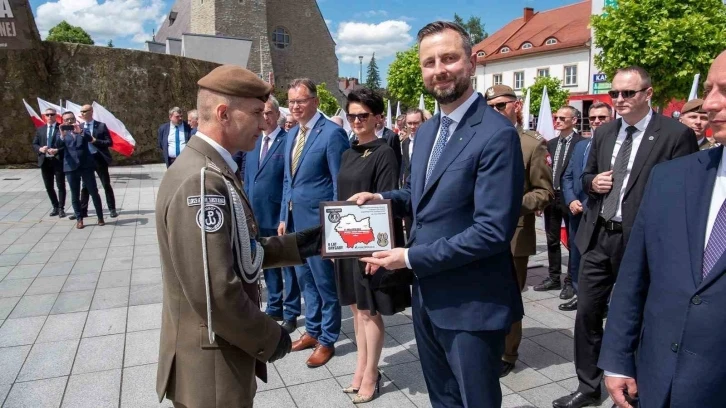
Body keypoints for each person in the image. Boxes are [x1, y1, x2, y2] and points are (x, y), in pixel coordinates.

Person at [352, 21, 525, 407]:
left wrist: (409, 257)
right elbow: (420, 195)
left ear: (472, 62)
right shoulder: (428, 132)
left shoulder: (497, 134)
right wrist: (381, 199)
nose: (439, 69)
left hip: (472, 304)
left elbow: (491, 232)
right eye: (429, 62)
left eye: (449, 58)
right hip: (428, 297)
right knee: (442, 399)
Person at [154, 64, 323, 408]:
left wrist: (298, 245)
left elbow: (236, 251)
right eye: (257, 113)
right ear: (223, 114)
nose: (264, 123)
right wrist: (269, 335)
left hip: (217, 351)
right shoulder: (201, 181)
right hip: (212, 365)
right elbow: (216, 289)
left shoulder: (210, 168)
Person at [552, 66, 698, 408]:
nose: (618, 100)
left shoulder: (674, 134)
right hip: (599, 235)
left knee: (638, 316)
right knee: (587, 312)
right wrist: (592, 183)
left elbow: (686, 191)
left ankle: (634, 387)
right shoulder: (604, 133)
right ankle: (588, 388)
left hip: (643, 242)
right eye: (614, 93)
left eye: (627, 93)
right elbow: (587, 174)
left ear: (648, 94)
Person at [599, 50, 726, 408]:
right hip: (656, 382)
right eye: (710, 88)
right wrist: (618, 358)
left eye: (725, 90)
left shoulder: (669, 138)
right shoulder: (673, 178)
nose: (710, 104)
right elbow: (635, 276)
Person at [335, 88, 412, 404]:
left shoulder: (385, 152)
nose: (356, 120)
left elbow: (386, 202)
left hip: (370, 243)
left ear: (378, 118)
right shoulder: (347, 152)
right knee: (355, 309)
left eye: (363, 115)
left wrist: (380, 250)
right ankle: (360, 368)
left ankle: (370, 374)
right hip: (347, 242)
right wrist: (335, 245)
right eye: (352, 115)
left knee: (369, 312)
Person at [279, 78, 349, 368]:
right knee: (304, 278)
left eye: (301, 100)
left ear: (316, 101)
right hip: (295, 223)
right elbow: (288, 181)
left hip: (319, 225)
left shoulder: (332, 134)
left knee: (324, 283)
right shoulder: (292, 134)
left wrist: (333, 228)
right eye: (292, 101)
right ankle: (313, 329)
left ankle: (327, 339)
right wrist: (284, 216)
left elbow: (338, 183)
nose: (295, 106)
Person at [485, 84, 554, 377]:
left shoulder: (531, 144)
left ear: (517, 106)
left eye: (501, 105)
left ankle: (508, 352)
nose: (496, 112)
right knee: (484, 295)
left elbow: (544, 192)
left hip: (514, 233)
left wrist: (511, 204)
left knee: (508, 296)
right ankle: (486, 346)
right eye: (490, 107)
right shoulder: (479, 139)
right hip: (480, 233)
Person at [244, 95, 301, 334]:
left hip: (279, 216)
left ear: (278, 115)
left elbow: (289, 181)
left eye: (268, 113)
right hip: (257, 215)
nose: (264, 117)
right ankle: (274, 305)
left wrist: (283, 216)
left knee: (287, 266)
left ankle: (291, 311)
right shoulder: (253, 142)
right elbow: (248, 178)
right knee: (267, 264)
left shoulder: (288, 141)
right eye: (260, 113)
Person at [559, 102, 614, 312]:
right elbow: (568, 176)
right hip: (577, 213)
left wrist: (583, 203)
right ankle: (579, 295)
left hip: (599, 214)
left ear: (611, 118)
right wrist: (572, 199)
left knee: (601, 260)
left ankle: (604, 301)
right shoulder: (582, 145)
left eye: (602, 117)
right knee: (576, 255)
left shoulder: (616, 146)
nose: (597, 122)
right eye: (593, 119)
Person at [535, 106, 584, 299]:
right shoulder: (551, 144)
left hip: (570, 198)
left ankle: (570, 281)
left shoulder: (582, 143)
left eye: (563, 118)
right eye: (556, 117)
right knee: (551, 239)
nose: (558, 121)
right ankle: (553, 277)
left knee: (572, 241)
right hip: (551, 198)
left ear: (574, 121)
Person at [57, 111, 104, 229]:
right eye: (66, 119)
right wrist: (62, 135)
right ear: (63, 121)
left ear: (75, 119)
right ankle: (79, 219)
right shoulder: (61, 132)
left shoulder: (82, 128)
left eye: (71, 119)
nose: (69, 121)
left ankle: (100, 217)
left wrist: (81, 132)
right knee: (75, 194)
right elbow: (58, 145)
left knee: (93, 191)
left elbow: (90, 139)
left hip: (86, 166)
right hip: (71, 167)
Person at [70, 104, 118, 220]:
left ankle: (112, 208)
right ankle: (83, 210)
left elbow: (109, 142)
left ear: (91, 111)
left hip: (98, 158)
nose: (82, 113)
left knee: (105, 183)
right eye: (81, 111)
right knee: (85, 186)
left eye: (85, 111)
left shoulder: (100, 126)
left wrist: (95, 141)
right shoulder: (78, 127)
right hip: (85, 160)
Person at [32, 107, 66, 218]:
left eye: (52, 114)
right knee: (48, 186)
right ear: (45, 116)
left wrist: (57, 150)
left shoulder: (61, 128)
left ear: (56, 116)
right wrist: (40, 149)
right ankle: (55, 206)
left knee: (61, 185)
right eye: (47, 115)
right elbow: (35, 144)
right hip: (45, 161)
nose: (50, 116)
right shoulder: (40, 129)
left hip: (57, 161)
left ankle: (61, 208)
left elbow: (66, 145)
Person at [401, 108, 424, 187]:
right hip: (409, 185)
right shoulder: (405, 143)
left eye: (416, 123)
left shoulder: (430, 141)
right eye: (409, 123)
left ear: (423, 122)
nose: (412, 126)